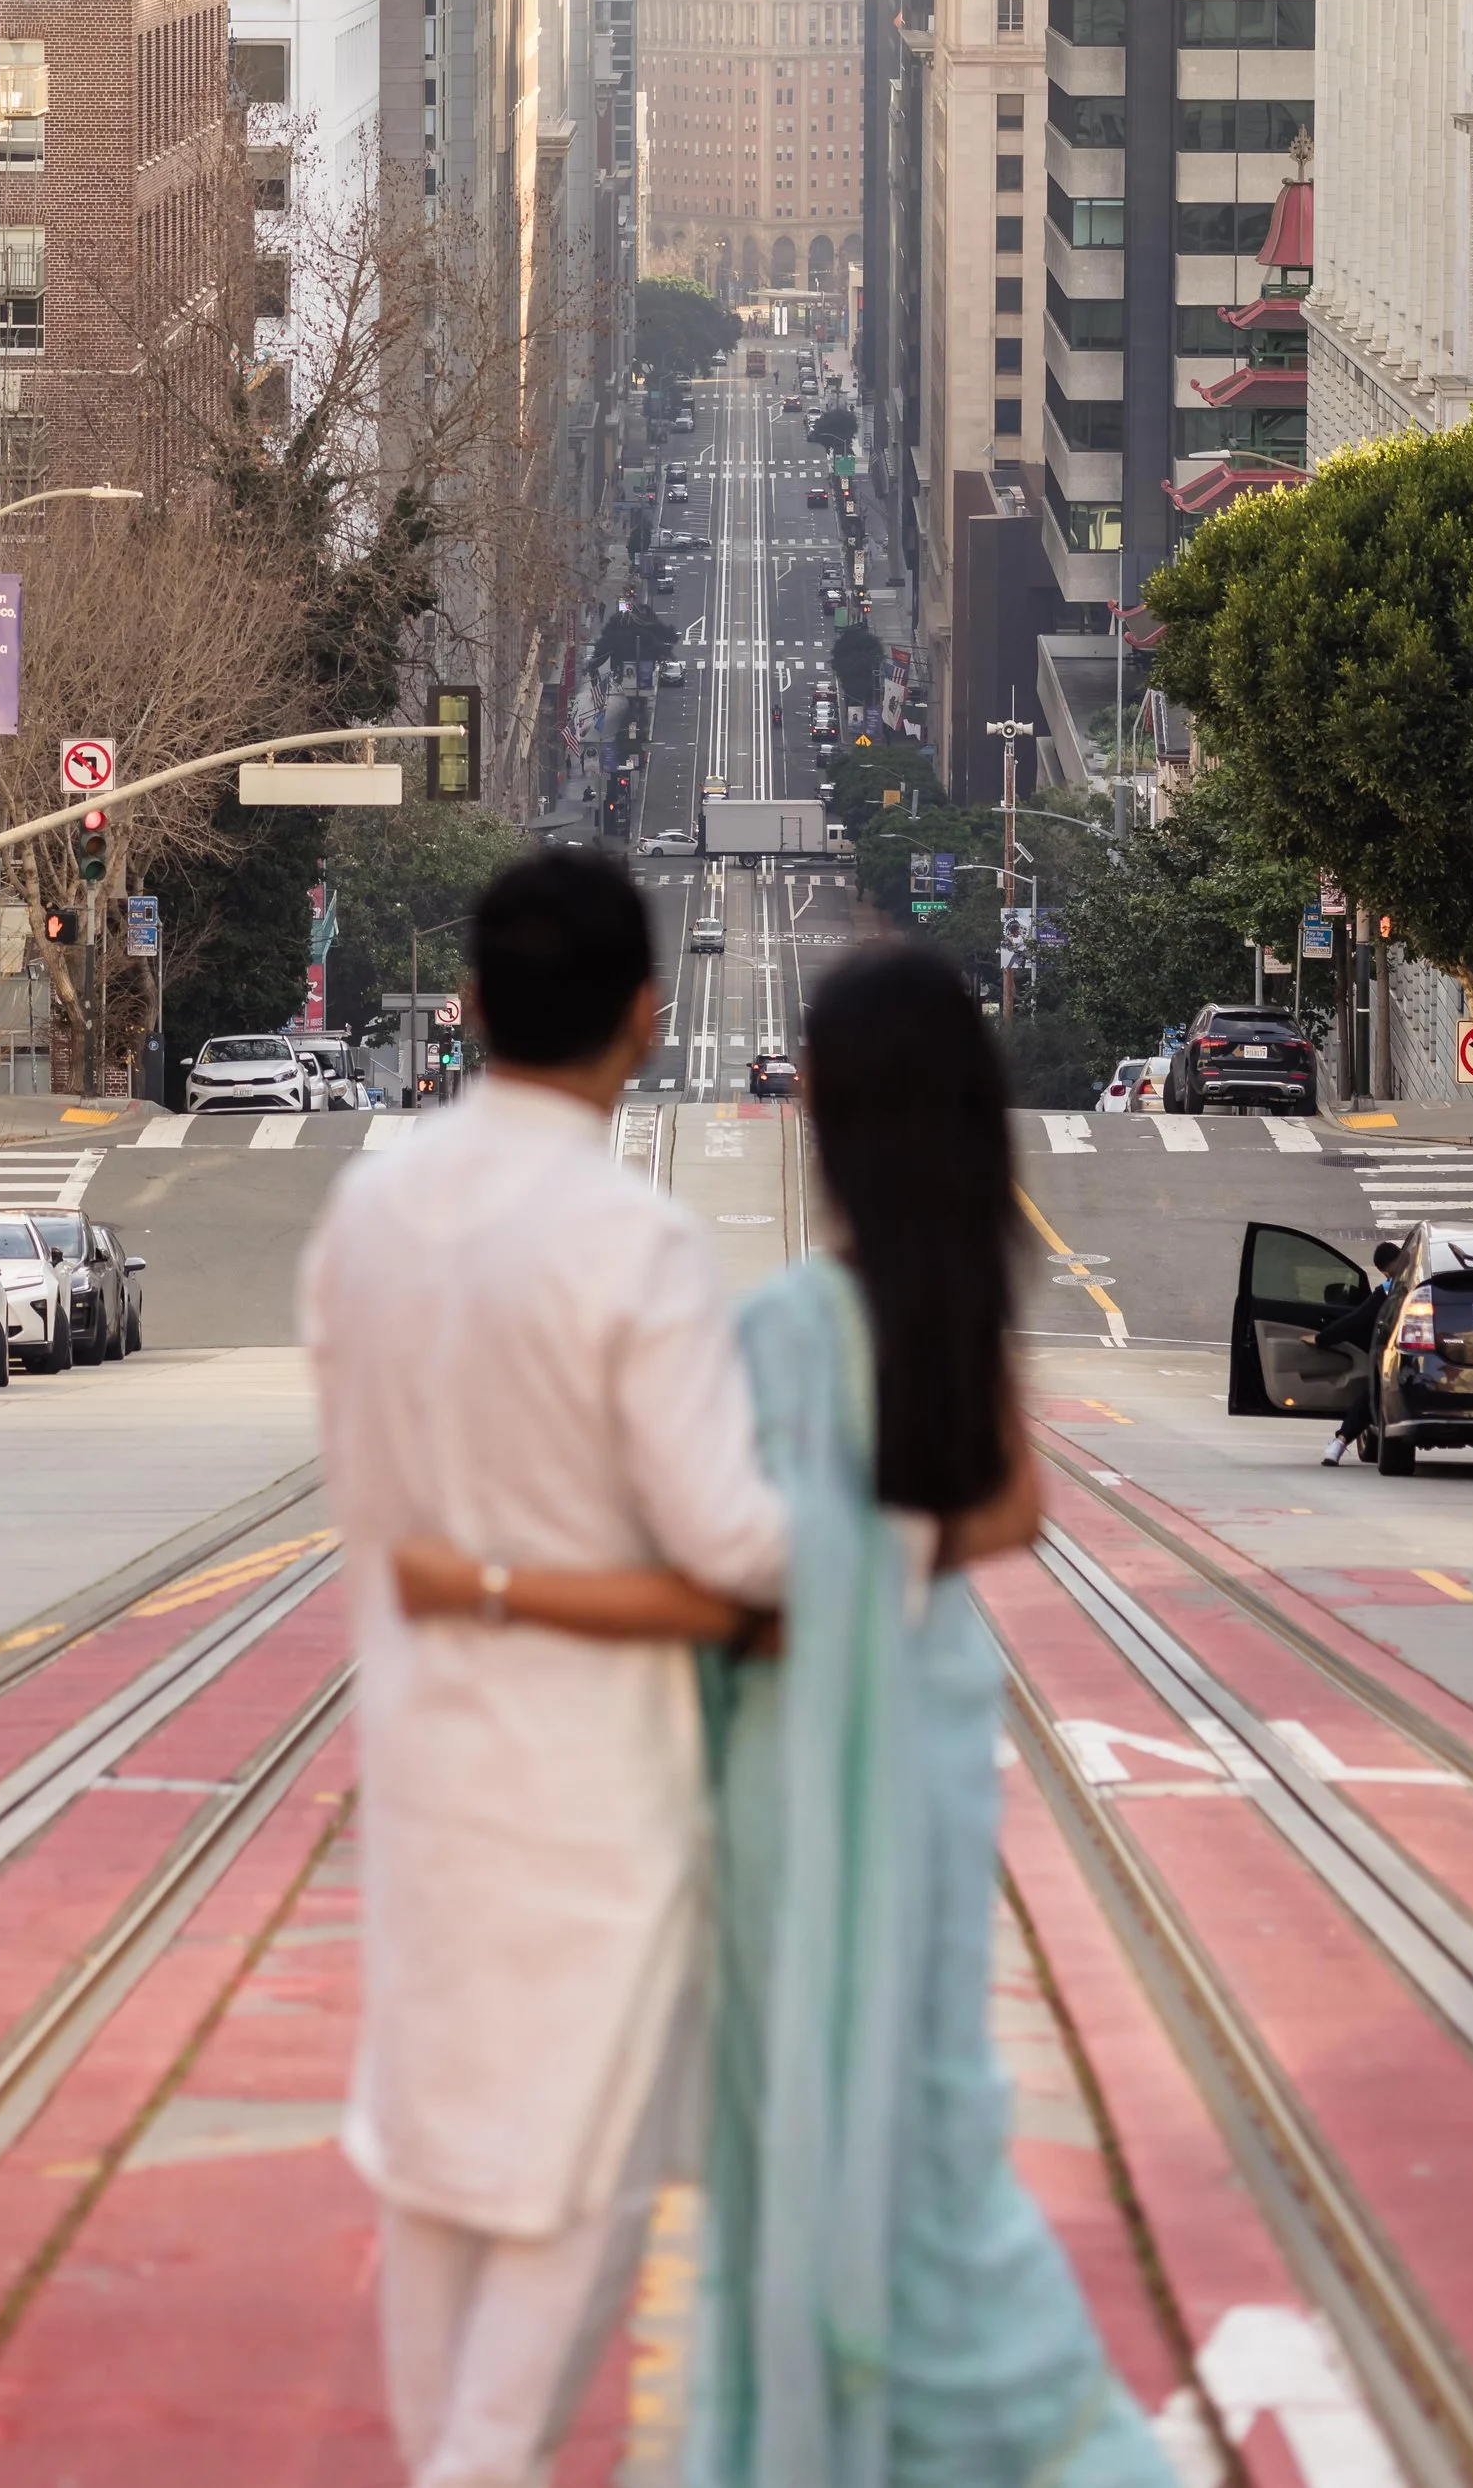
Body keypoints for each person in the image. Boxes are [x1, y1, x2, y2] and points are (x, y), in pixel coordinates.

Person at [396, 942, 1173, 2488]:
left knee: (793, 2125)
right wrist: (890, 1557)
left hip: (789, 1778)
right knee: (929, 2109)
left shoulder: (787, 1333)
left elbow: (732, 1596)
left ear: (824, 1105)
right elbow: (1015, 1505)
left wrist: (486, 1584)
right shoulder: (952, 1304)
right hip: (937, 1743)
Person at [298, 852, 788, 2488]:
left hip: (423, 1759)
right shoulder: (628, 1240)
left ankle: (459, 2451)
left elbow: (354, 1472)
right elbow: (737, 1546)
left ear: (473, 1008)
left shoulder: (368, 1210)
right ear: (647, 1021)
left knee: (439, 2152)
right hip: (597, 1795)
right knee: (579, 2171)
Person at [1319, 1240, 1403, 1466]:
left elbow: (1355, 1321)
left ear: (1384, 1271)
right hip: (1432, 1356)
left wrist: (1321, 1339)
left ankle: (1339, 1443)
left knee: (1372, 1396)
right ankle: (1339, 1443)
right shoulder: (1425, 1281)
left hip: (1394, 1356)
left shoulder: (1385, 1292)